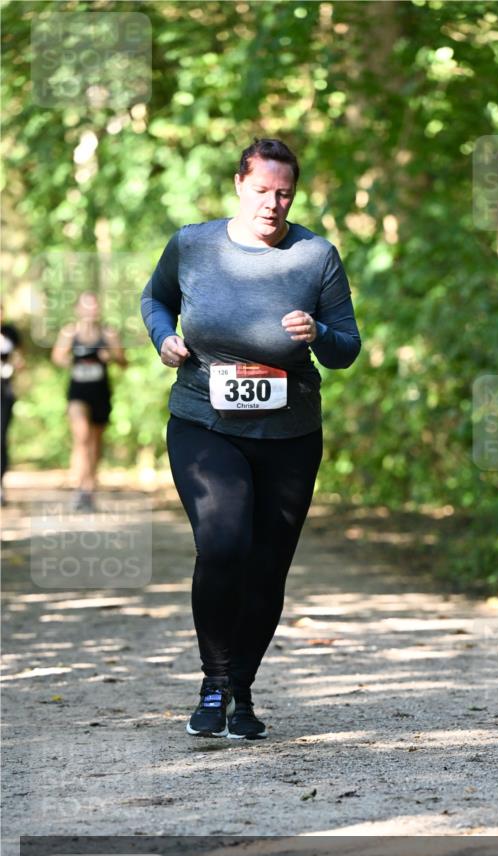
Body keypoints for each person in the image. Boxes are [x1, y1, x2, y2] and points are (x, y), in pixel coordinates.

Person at [141, 137, 361, 740]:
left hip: (290, 433)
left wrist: (317, 332)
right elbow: (155, 299)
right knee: (223, 542)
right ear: (240, 184)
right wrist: (164, 338)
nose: (272, 203)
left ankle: (242, 691)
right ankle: (213, 683)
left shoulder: (315, 256)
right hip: (204, 422)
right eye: (262, 190)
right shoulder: (193, 245)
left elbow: (346, 347)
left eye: (284, 193)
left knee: (267, 566)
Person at [51, 291, 127, 511]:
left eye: (94, 305)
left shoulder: (108, 333)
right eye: (86, 306)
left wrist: (110, 356)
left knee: (95, 441)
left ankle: (90, 487)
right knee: (82, 437)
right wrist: (71, 361)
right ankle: (80, 488)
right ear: (78, 309)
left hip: (100, 393)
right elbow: (57, 357)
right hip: (78, 393)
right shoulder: (70, 332)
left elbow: (123, 362)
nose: (90, 310)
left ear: (98, 309)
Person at [0, 303, 24, 505]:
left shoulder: (10, 333)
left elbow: (20, 358)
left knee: (1, 436)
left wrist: (15, 364)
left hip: (4, 392)